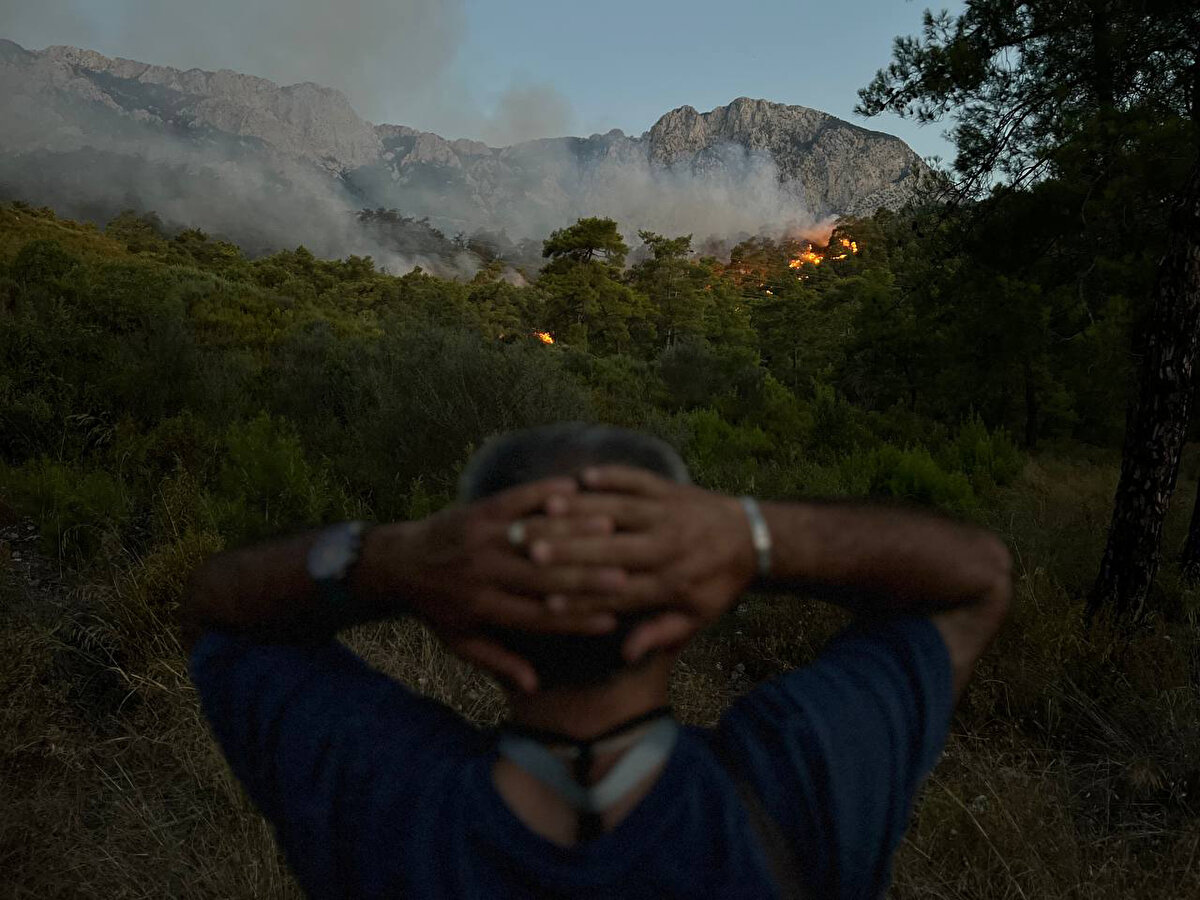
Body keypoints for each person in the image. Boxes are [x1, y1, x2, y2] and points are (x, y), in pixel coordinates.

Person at [183, 424, 1012, 899]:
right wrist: (750, 536)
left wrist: (392, 560)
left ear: (475, 629)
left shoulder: (380, 802)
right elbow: (973, 579)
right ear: (680, 622)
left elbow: (218, 609)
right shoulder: (801, 787)